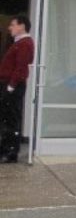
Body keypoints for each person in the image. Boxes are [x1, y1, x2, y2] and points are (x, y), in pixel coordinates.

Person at [0, 15, 35, 163]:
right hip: (10, 85)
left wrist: (10, 87)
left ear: (22, 26)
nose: (10, 27)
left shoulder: (25, 43)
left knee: (11, 119)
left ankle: (10, 153)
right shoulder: (19, 42)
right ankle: (6, 149)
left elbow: (20, 68)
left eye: (13, 25)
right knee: (7, 118)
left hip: (13, 86)